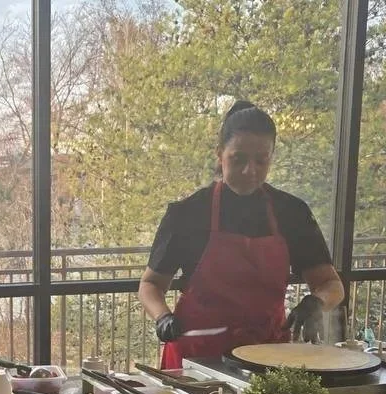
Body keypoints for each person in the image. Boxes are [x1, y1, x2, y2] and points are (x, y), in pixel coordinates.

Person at [138, 101, 345, 369]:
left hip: (268, 355)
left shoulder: (291, 212)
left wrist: (316, 303)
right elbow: (150, 285)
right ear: (219, 154)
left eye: (261, 160)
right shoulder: (188, 213)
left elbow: (331, 284)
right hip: (196, 359)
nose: (251, 171)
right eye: (239, 159)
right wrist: (163, 317)